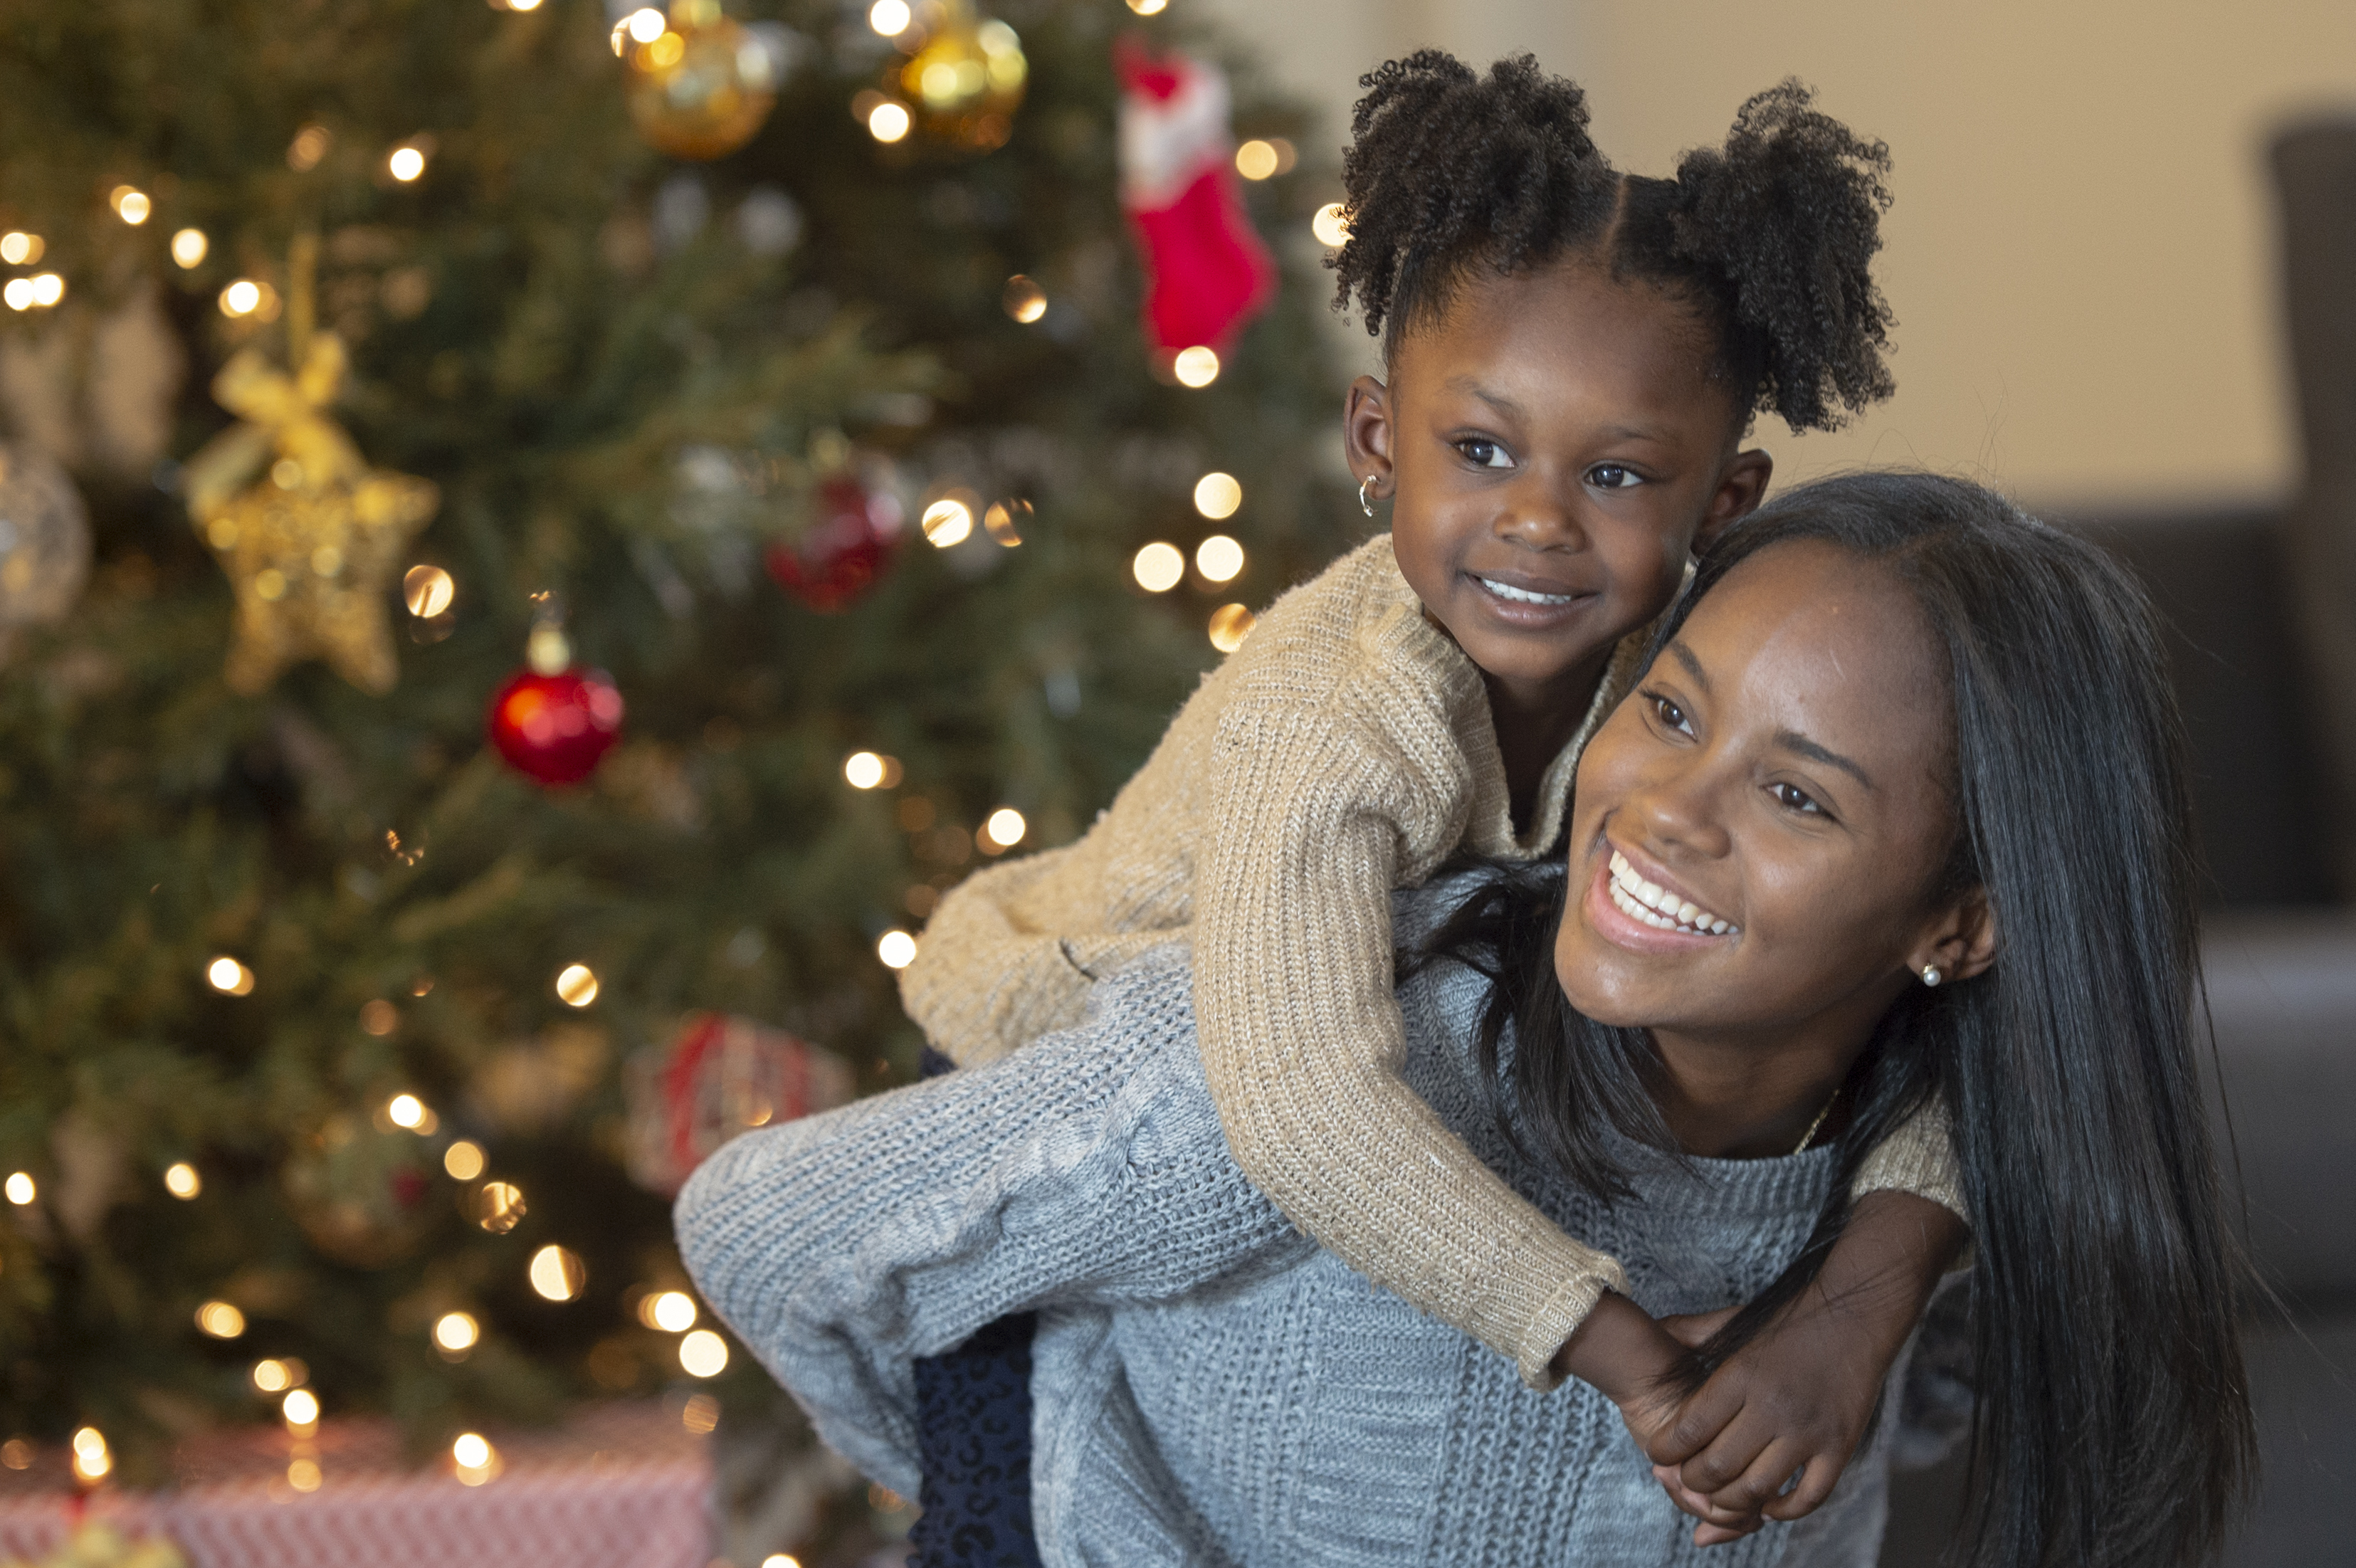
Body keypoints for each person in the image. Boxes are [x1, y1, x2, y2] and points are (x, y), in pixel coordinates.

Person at [678, 473, 2255, 1565]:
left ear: (1958, 922)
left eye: (1791, 792)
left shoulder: (1922, 1184)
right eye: (1668, 708)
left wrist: (1874, 1286)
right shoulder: (1302, 1072)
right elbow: (763, 1227)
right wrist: (987, 1481)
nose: (1658, 814)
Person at [896, 52, 1964, 1504]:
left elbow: (1950, 1025)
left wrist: (1863, 1297)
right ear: (1376, 443)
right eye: (1476, 449)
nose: (1532, 521)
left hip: (1294, 1046)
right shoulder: (1333, 717)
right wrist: (1622, 1350)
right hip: (1055, 1053)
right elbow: (1298, 1100)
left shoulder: (1681, 687)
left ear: (1723, 503)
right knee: (1006, 1495)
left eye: (1617, 476)